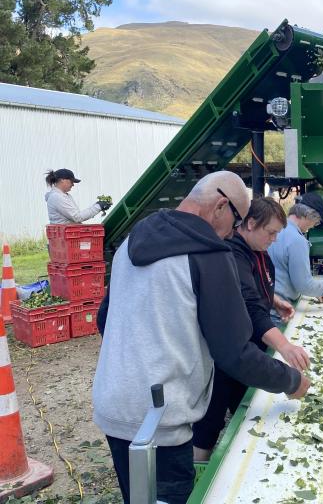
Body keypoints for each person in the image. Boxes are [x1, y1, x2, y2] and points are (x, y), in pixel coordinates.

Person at [92, 171, 309, 504]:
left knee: (136, 496)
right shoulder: (209, 254)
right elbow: (235, 351)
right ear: (220, 205)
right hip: (161, 419)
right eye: (235, 221)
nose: (232, 232)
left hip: (114, 403)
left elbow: (105, 319)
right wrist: (291, 380)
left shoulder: (131, 241)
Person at [192, 197, 310, 461]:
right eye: (271, 233)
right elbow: (250, 308)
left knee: (246, 410)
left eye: (278, 234)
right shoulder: (233, 255)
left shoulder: (258, 252)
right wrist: (285, 346)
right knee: (209, 420)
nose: (274, 239)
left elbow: (257, 292)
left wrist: (274, 300)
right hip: (225, 354)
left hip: (248, 352)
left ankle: (244, 458)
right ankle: (197, 473)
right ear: (250, 223)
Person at [268, 192, 323, 323]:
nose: (314, 226)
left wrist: (316, 291)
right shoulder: (297, 240)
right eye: (317, 222)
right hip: (279, 313)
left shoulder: (278, 229)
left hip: (267, 304)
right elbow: (303, 285)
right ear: (308, 215)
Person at [44, 168, 111, 223]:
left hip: (70, 233)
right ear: (62, 180)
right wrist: (98, 206)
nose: (73, 185)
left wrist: (97, 205)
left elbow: (77, 216)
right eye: (71, 181)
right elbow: (77, 217)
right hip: (66, 236)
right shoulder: (57, 197)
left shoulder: (64, 196)